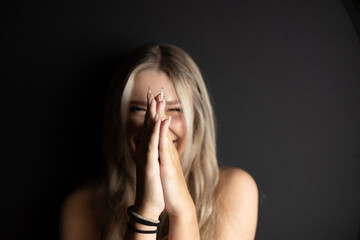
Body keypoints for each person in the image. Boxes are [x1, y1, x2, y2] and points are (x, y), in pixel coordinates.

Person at [60, 43, 258, 240]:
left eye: (174, 109)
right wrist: (146, 210)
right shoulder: (82, 206)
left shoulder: (234, 190)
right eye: (139, 109)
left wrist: (182, 211)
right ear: (119, 118)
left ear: (196, 118)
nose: (156, 122)